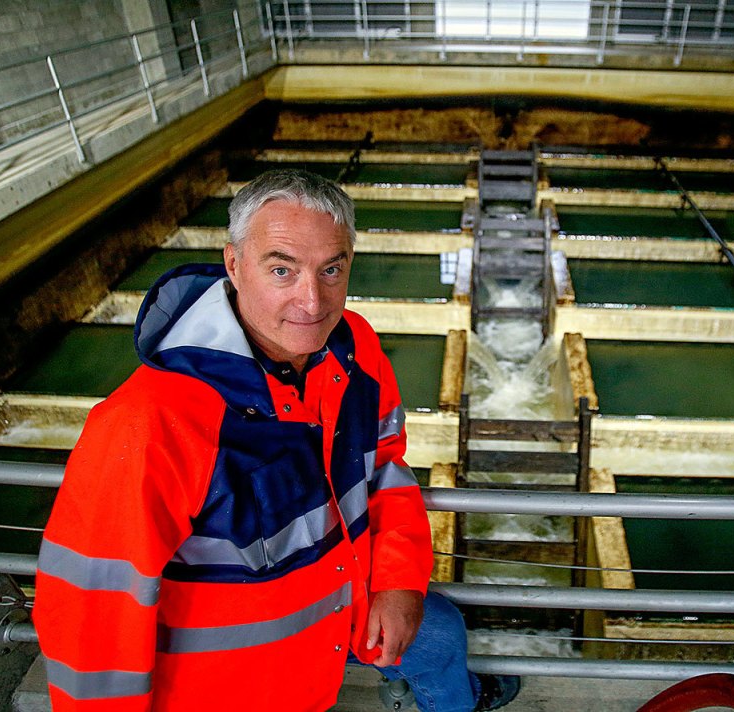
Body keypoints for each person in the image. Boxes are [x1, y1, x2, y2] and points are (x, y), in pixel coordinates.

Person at [33, 169, 520, 711]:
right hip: (227, 687)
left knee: (439, 632)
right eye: (282, 270)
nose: (312, 303)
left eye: (331, 269)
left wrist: (399, 582)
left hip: (339, 618)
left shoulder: (355, 349)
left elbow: (385, 466)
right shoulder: (149, 423)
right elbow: (90, 618)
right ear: (234, 265)